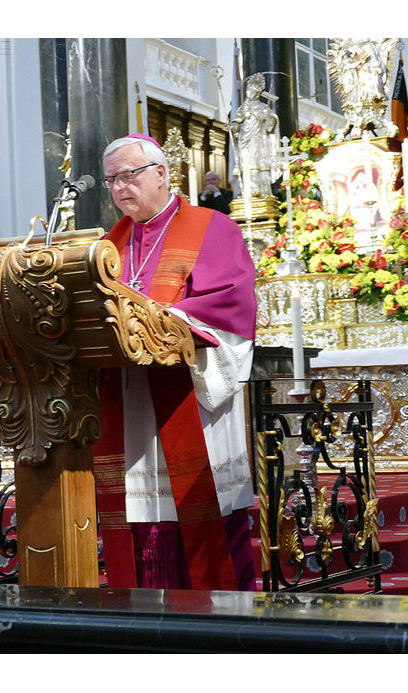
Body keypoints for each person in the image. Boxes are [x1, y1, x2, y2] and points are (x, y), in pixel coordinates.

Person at [94, 133, 256, 591]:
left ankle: (221, 612)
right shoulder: (111, 242)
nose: (120, 187)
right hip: (131, 401)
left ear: (161, 173)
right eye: (112, 180)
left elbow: (231, 305)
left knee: (199, 510)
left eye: (129, 175)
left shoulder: (211, 227)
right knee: (140, 509)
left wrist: (164, 321)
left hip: (188, 392)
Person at [229, 73, 280, 197]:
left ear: (258, 92)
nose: (251, 93)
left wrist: (268, 118)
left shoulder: (263, 107)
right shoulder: (242, 108)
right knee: (246, 163)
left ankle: (261, 191)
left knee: (258, 163)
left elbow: (270, 126)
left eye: (254, 91)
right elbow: (237, 123)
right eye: (250, 90)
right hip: (245, 139)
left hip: (259, 141)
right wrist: (233, 126)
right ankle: (248, 191)